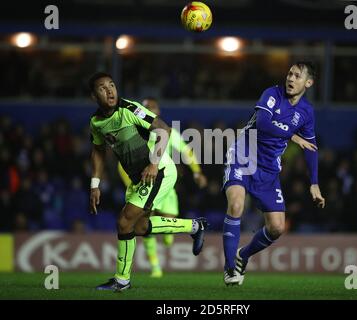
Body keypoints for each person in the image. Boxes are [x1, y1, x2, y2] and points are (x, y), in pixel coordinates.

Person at [88, 72, 208, 291]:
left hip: (159, 170)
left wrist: (153, 163)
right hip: (139, 178)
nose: (110, 90)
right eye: (102, 88)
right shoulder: (96, 122)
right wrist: (94, 185)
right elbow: (98, 150)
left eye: (112, 85)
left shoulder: (129, 109)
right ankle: (195, 226)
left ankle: (121, 280)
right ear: (94, 96)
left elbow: (163, 129)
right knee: (141, 227)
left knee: (124, 222)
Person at [222, 61, 326, 285]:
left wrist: (314, 182)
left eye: (297, 76)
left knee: (277, 227)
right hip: (243, 155)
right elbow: (263, 123)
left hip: (269, 168)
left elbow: (311, 148)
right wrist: (293, 136)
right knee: (236, 205)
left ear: (308, 83)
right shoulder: (272, 94)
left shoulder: (306, 112)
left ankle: (242, 256)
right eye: (289, 74)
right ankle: (230, 268)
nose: (290, 79)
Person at [117, 97, 208, 278]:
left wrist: (197, 172)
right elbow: (121, 164)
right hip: (145, 184)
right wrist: (132, 184)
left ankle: (190, 228)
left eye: (152, 107)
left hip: (164, 181)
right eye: (146, 107)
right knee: (142, 222)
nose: (149, 109)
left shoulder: (167, 131)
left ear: (157, 112)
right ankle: (155, 267)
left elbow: (186, 151)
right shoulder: (134, 130)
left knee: (166, 230)